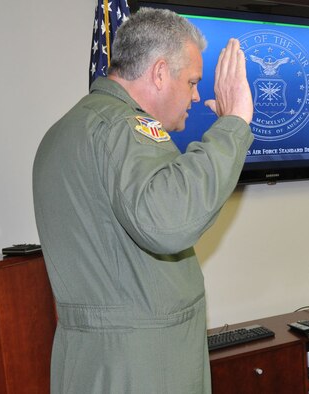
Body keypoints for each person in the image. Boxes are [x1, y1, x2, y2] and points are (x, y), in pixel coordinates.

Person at [32, 8, 253, 394]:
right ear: (160, 72)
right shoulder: (125, 127)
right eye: (192, 82)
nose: (196, 96)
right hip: (145, 367)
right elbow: (168, 221)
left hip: (88, 362)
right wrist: (234, 126)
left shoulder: (65, 130)